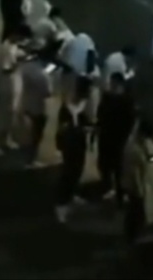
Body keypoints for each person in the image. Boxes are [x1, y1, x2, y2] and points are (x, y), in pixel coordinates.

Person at [54, 77, 93, 223]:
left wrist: (87, 127)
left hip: (79, 144)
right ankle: (61, 204)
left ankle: (71, 195)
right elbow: (63, 130)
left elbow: (84, 123)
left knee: (78, 169)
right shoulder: (67, 108)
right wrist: (79, 129)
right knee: (68, 172)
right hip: (69, 145)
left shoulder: (82, 106)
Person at [96, 72, 137, 204]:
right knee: (111, 165)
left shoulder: (114, 99)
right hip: (114, 137)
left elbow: (101, 115)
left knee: (114, 166)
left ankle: (116, 191)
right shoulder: (124, 99)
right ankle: (114, 190)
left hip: (114, 138)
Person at [122, 119, 153, 242]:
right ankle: (134, 236)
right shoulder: (134, 150)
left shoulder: (135, 142)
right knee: (137, 212)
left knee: (133, 212)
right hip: (134, 187)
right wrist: (140, 192)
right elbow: (134, 174)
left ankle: (132, 234)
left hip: (132, 184)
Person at [14, 51, 52, 167]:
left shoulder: (24, 68)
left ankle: (21, 158)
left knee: (24, 134)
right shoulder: (42, 74)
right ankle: (30, 160)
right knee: (35, 137)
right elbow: (47, 93)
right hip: (37, 108)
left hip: (24, 105)